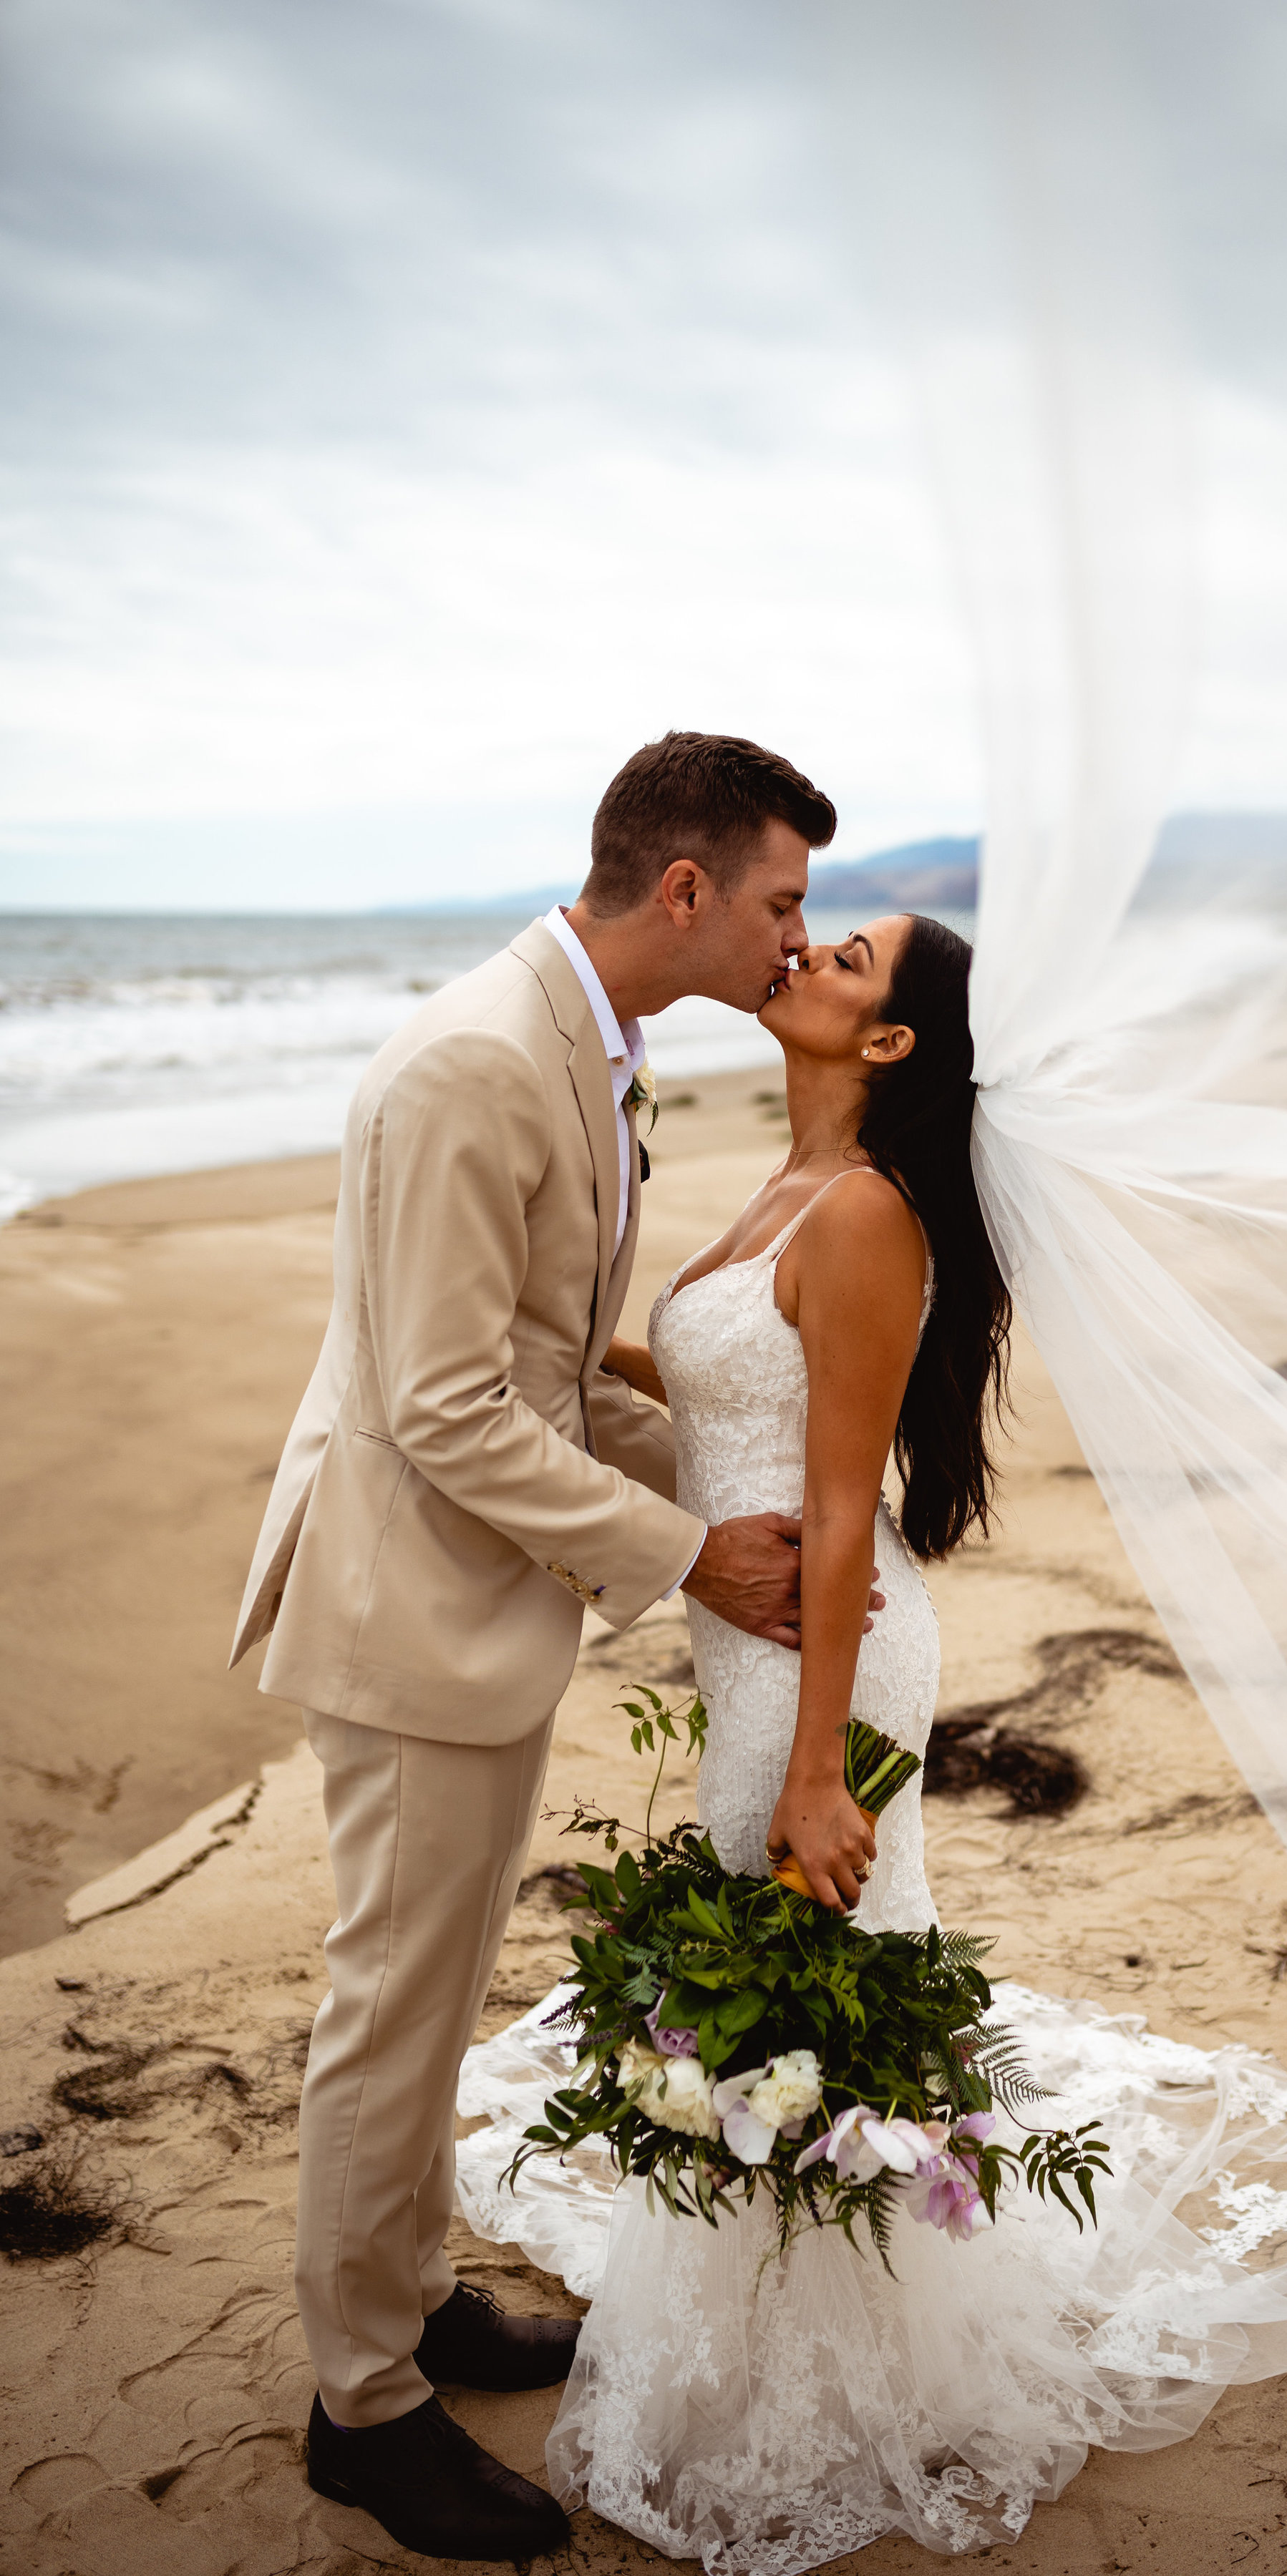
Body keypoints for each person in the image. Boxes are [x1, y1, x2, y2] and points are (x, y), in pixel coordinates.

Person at [457, 912, 1287, 2574]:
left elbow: (846, 1516)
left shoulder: (865, 1215)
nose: (804, 953)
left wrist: (811, 1772)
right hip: (750, 1641)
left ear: (893, 1046)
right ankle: (778, 2295)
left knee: (800, 1959)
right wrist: (572, 1358)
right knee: (775, 1970)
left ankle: (844, 2361)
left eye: (847, 957)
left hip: (824, 1666)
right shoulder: (792, 1182)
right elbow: (735, 1402)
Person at [230, 732, 891, 2565]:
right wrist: (694, 1550)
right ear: (684, 891)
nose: (792, 937)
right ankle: (365, 2405)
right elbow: (443, 1404)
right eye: (780, 901)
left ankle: (418, 2294)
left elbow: (540, 1361)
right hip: (407, 1606)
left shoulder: (598, 1051)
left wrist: (726, 1484)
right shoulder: (470, 1066)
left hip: (484, 1595)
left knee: (435, 1995)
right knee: (391, 2007)